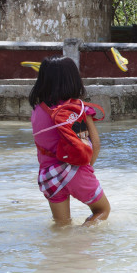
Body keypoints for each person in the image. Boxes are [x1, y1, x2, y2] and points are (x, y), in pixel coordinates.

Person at [28, 56, 111, 226]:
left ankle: (64, 249)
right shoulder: (78, 109)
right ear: (74, 80)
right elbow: (95, 144)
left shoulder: (37, 111)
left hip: (48, 176)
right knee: (102, 211)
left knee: (61, 225)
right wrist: (87, 169)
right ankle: (83, 236)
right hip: (77, 173)